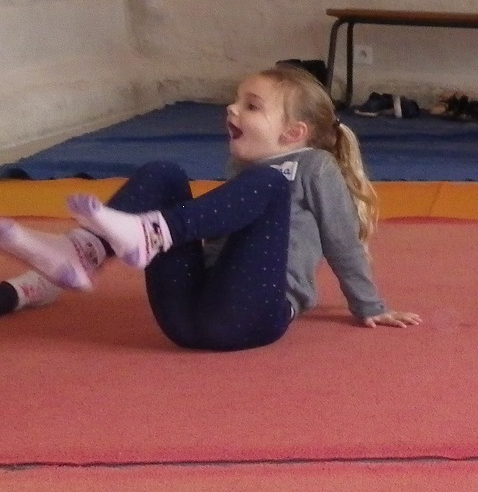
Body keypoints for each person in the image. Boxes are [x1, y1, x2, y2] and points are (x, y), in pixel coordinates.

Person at [0, 64, 419, 348]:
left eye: (251, 106)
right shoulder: (244, 168)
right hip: (186, 316)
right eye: (237, 100)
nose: (232, 109)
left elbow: (342, 242)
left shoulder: (312, 165)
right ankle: (82, 250)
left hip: (252, 317)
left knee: (270, 183)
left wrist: (370, 306)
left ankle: (152, 232)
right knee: (164, 172)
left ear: (294, 133)